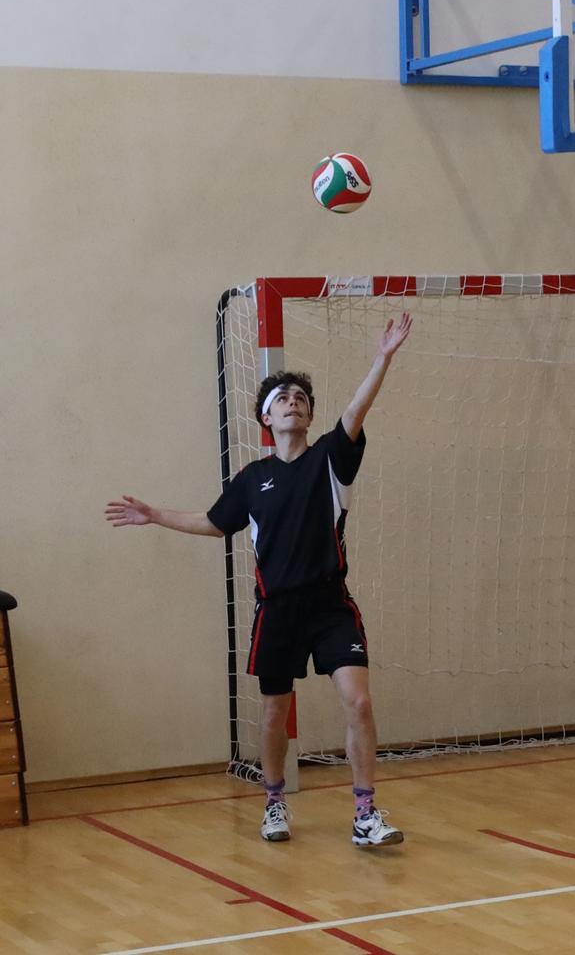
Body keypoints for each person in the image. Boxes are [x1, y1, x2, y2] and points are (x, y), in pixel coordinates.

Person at [105, 311, 412, 848]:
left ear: (310, 415)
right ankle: (274, 803)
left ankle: (365, 815)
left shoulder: (330, 461)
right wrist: (154, 515)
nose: (294, 402)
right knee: (274, 713)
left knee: (360, 703)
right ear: (266, 417)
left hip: (331, 607)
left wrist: (382, 358)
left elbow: (356, 411)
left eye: (301, 398)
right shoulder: (252, 479)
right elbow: (212, 522)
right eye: (283, 398)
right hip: (277, 611)